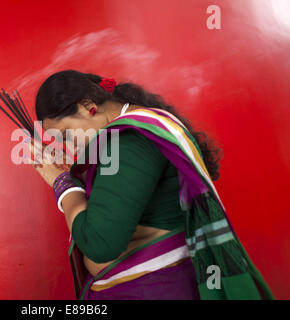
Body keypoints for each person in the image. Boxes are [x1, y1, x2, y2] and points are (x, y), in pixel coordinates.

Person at [25, 69, 274, 300]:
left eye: (67, 134)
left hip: (155, 288)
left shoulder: (129, 140)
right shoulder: (128, 134)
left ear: (89, 107)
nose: (71, 147)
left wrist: (62, 184)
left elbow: (99, 242)